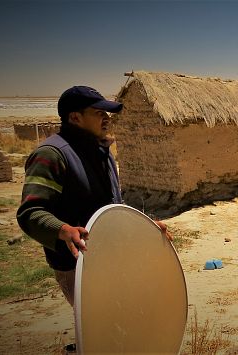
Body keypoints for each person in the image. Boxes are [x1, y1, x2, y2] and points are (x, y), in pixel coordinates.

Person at [16, 86, 170, 353]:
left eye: (108, 113)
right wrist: (63, 230)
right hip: (80, 266)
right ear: (75, 117)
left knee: (128, 327)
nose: (107, 118)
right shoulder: (52, 155)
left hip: (113, 258)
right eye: (99, 113)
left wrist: (143, 227)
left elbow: (111, 208)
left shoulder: (101, 152)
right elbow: (30, 213)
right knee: (105, 332)